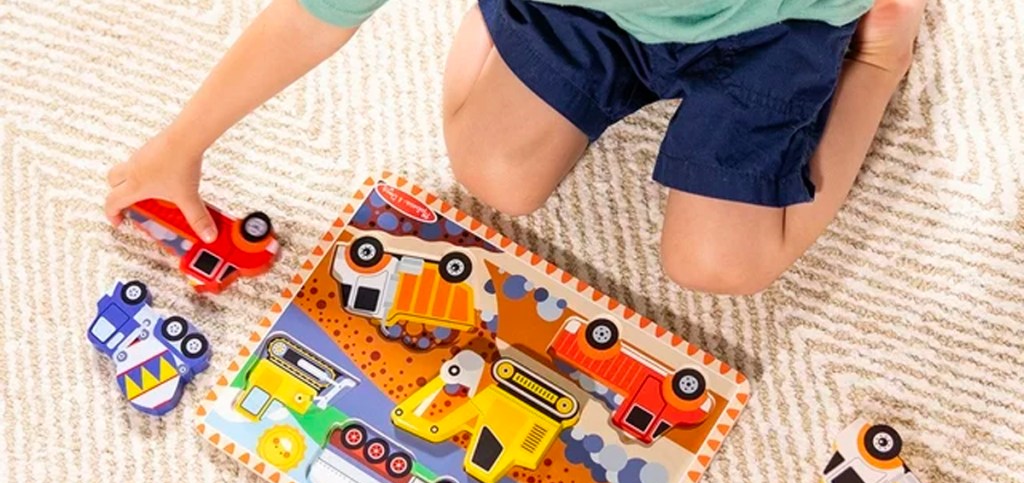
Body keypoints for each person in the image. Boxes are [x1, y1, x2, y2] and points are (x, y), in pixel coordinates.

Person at [105, 0, 928, 295]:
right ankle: (500, 26)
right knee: (495, 172)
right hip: (584, 20)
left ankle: (881, 62)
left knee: (722, 265)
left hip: (772, 31)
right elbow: (307, 16)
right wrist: (178, 146)